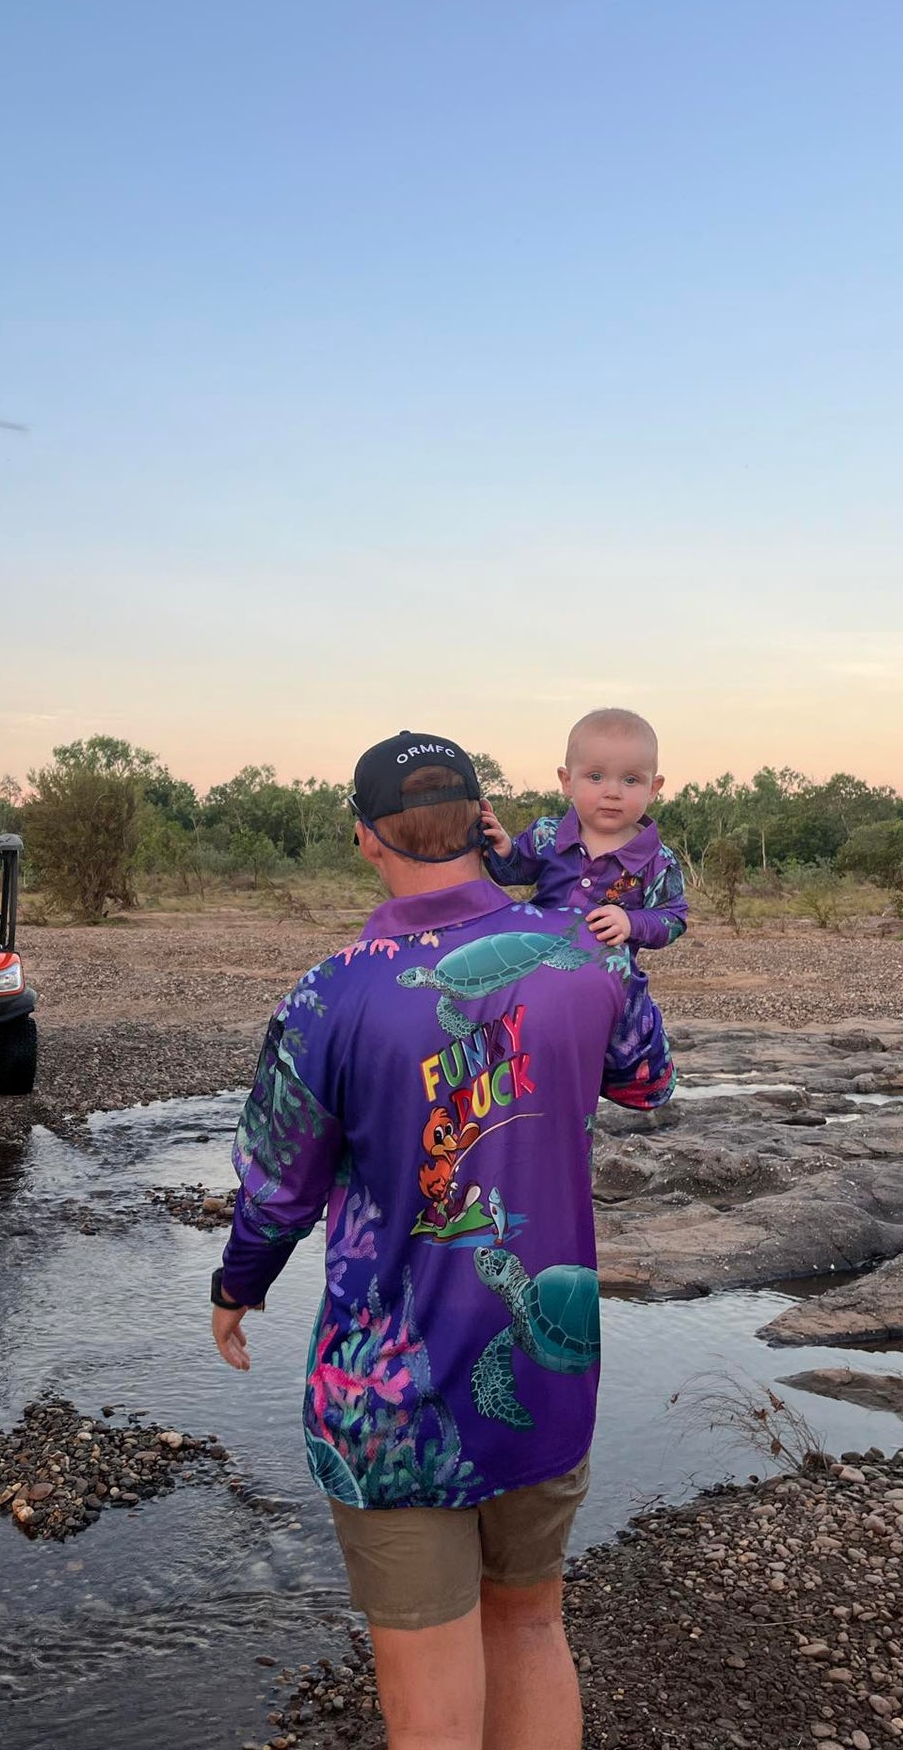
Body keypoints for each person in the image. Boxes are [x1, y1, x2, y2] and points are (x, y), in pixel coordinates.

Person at [212, 730, 674, 1750]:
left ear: (365, 839)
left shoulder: (331, 992)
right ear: (481, 822)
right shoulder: (582, 952)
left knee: (429, 1682)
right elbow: (648, 1080)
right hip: (548, 1371)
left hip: (390, 1398)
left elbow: (278, 1187)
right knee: (531, 1624)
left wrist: (235, 1286)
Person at [480, 706, 687, 952]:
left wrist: (632, 923)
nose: (612, 792)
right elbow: (512, 874)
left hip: (609, 981)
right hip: (538, 968)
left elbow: (673, 918)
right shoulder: (546, 835)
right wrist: (504, 850)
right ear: (568, 782)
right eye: (596, 777)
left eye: (630, 780)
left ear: (653, 788)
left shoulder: (658, 861)